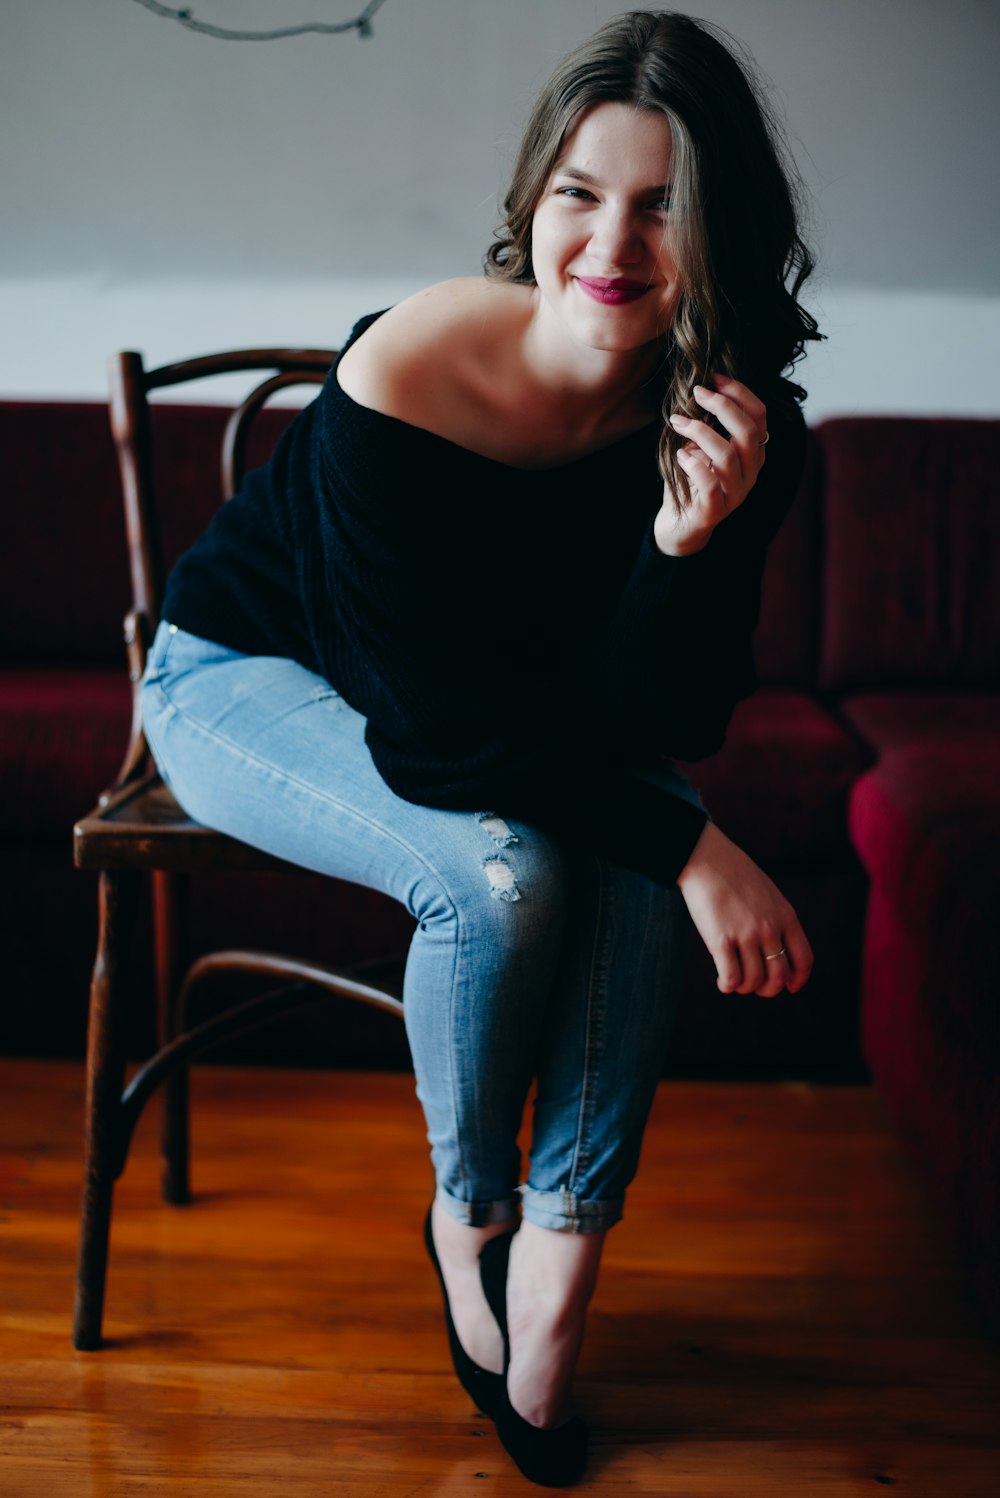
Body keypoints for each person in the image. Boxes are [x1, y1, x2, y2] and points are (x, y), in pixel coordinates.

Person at [140, 9, 820, 1486]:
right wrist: (696, 843)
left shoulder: (736, 425)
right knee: (513, 871)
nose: (614, 244)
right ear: (530, 202)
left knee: (631, 834)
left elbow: (660, 719)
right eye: (580, 192)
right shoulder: (416, 364)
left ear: (723, 232)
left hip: (483, 715)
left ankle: (563, 1261)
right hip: (240, 678)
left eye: (664, 206)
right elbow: (441, 735)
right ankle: (473, 1214)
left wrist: (683, 550)